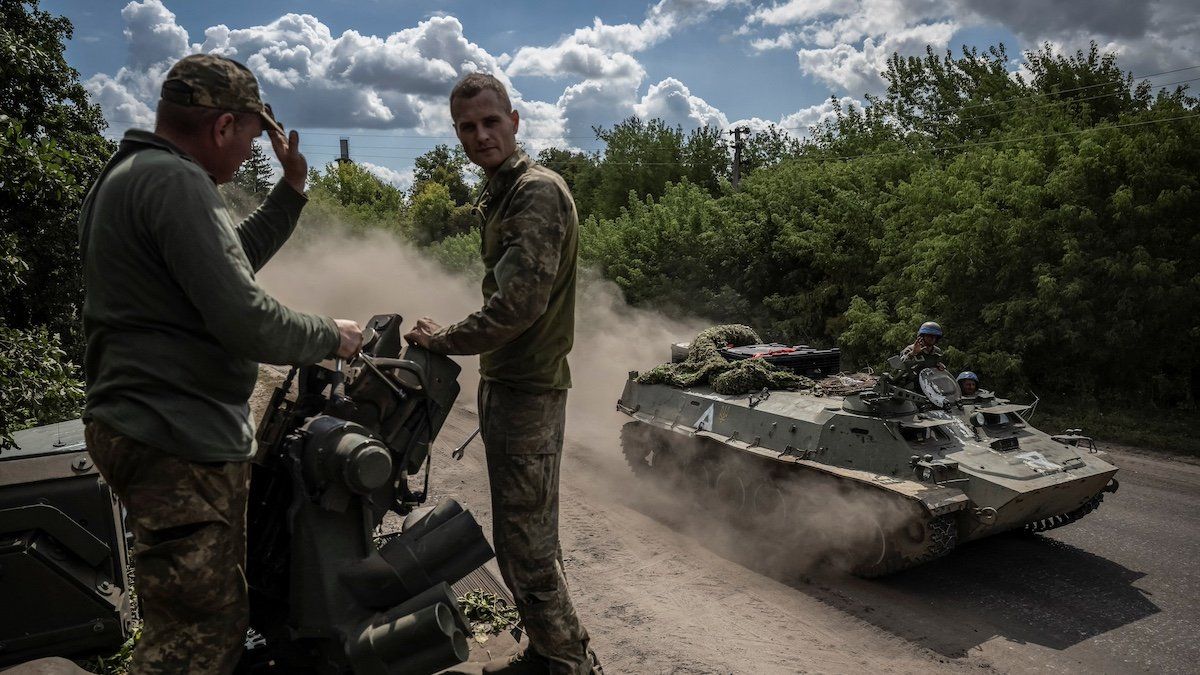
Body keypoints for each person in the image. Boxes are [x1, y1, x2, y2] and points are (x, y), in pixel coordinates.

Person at [78, 54, 363, 674]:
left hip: (149, 426)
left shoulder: (130, 175)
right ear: (223, 126)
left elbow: (225, 263)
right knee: (196, 637)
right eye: (253, 139)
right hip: (174, 436)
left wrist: (291, 194)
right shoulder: (176, 182)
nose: (248, 155)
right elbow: (243, 316)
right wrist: (329, 336)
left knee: (194, 615)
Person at [404, 73, 597, 675]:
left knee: (527, 549)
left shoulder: (534, 192)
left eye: (491, 121)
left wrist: (445, 340)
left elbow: (517, 306)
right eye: (467, 126)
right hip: (513, 384)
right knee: (527, 537)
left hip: (527, 391)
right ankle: (553, 650)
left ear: (515, 120)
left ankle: (565, 661)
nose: (480, 135)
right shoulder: (505, 188)